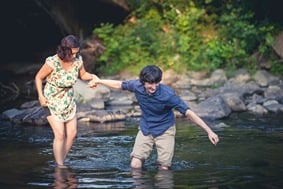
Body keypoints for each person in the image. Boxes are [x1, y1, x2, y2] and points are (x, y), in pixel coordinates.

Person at [89, 65, 219, 170]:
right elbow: (119, 84)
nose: (154, 86)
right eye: (150, 83)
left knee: (163, 167)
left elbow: (188, 112)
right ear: (143, 82)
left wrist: (209, 131)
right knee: (135, 164)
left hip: (165, 129)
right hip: (146, 127)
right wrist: (99, 81)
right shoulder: (137, 86)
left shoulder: (168, 95)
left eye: (157, 83)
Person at [35, 34, 99, 168]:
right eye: (72, 53)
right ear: (64, 50)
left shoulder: (77, 60)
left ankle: (60, 160)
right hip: (51, 99)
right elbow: (38, 77)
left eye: (77, 52)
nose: (74, 56)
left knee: (72, 134)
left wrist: (94, 77)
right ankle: (60, 166)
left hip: (68, 99)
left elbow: (83, 75)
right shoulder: (52, 62)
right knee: (60, 134)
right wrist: (41, 96)